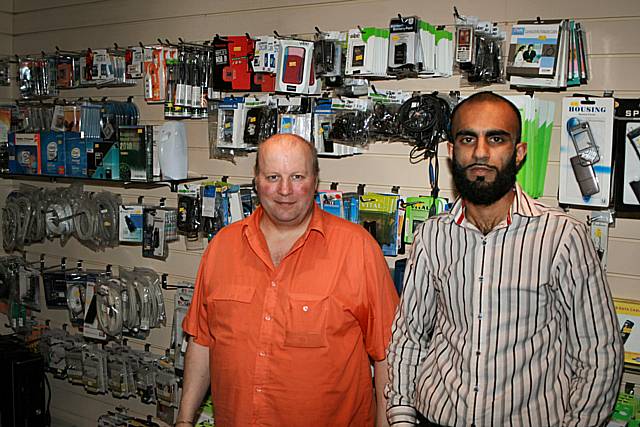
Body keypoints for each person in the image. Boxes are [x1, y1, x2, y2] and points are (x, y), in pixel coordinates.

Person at [385, 92, 623, 427]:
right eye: (468, 138)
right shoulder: (431, 235)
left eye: (496, 138)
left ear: (519, 152)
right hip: (435, 415)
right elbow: (409, 335)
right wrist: (402, 416)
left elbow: (599, 353)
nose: (480, 152)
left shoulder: (563, 238)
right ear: (452, 152)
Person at [177, 133, 399, 426]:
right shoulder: (222, 246)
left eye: (297, 176)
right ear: (256, 180)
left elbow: (389, 354)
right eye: (272, 176)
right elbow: (202, 342)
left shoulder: (357, 249)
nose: (284, 190)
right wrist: (183, 420)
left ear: (316, 180)